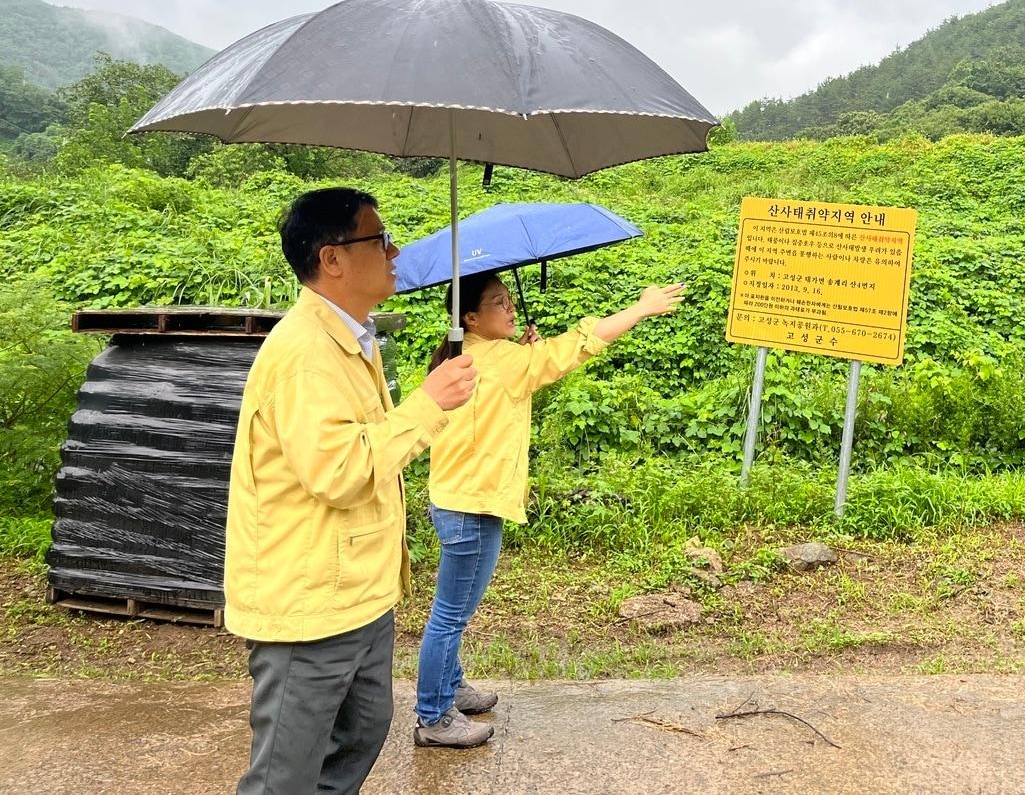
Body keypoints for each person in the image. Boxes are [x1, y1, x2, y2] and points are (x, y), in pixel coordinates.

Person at [225, 187, 480, 794]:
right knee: (286, 772)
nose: (394, 250)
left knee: (365, 730)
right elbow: (338, 472)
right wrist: (428, 405)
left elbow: (367, 441)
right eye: (377, 238)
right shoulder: (305, 353)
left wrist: (424, 398)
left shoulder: (351, 339)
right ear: (332, 258)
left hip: (360, 590)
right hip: (310, 600)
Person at [412, 271, 685, 747]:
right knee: (451, 615)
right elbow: (575, 346)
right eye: (499, 302)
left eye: (510, 299)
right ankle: (434, 717)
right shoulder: (504, 360)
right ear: (472, 317)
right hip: (471, 504)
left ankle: (450, 688)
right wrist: (640, 308)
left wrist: (521, 349)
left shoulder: (465, 354)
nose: (510, 307)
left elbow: (518, 375)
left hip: (459, 498)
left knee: (454, 611)